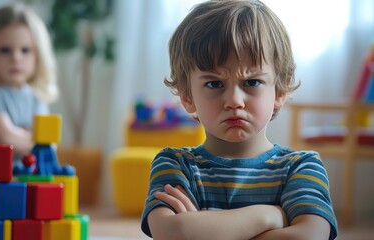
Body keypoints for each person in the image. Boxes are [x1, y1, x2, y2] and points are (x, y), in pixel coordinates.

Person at [141, 0, 338, 239]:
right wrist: (271, 216)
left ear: (280, 89)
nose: (234, 101)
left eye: (252, 82)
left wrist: (203, 229)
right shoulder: (174, 164)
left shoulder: (301, 167)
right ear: (187, 95)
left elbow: (308, 236)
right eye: (214, 83)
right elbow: (173, 232)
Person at [0, 3, 58, 180]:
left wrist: (29, 138)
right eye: (4, 50)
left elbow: (50, 145)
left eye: (25, 50)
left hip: (26, 182)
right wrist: (33, 137)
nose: (16, 58)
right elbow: (8, 138)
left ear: (38, 56)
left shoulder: (36, 98)